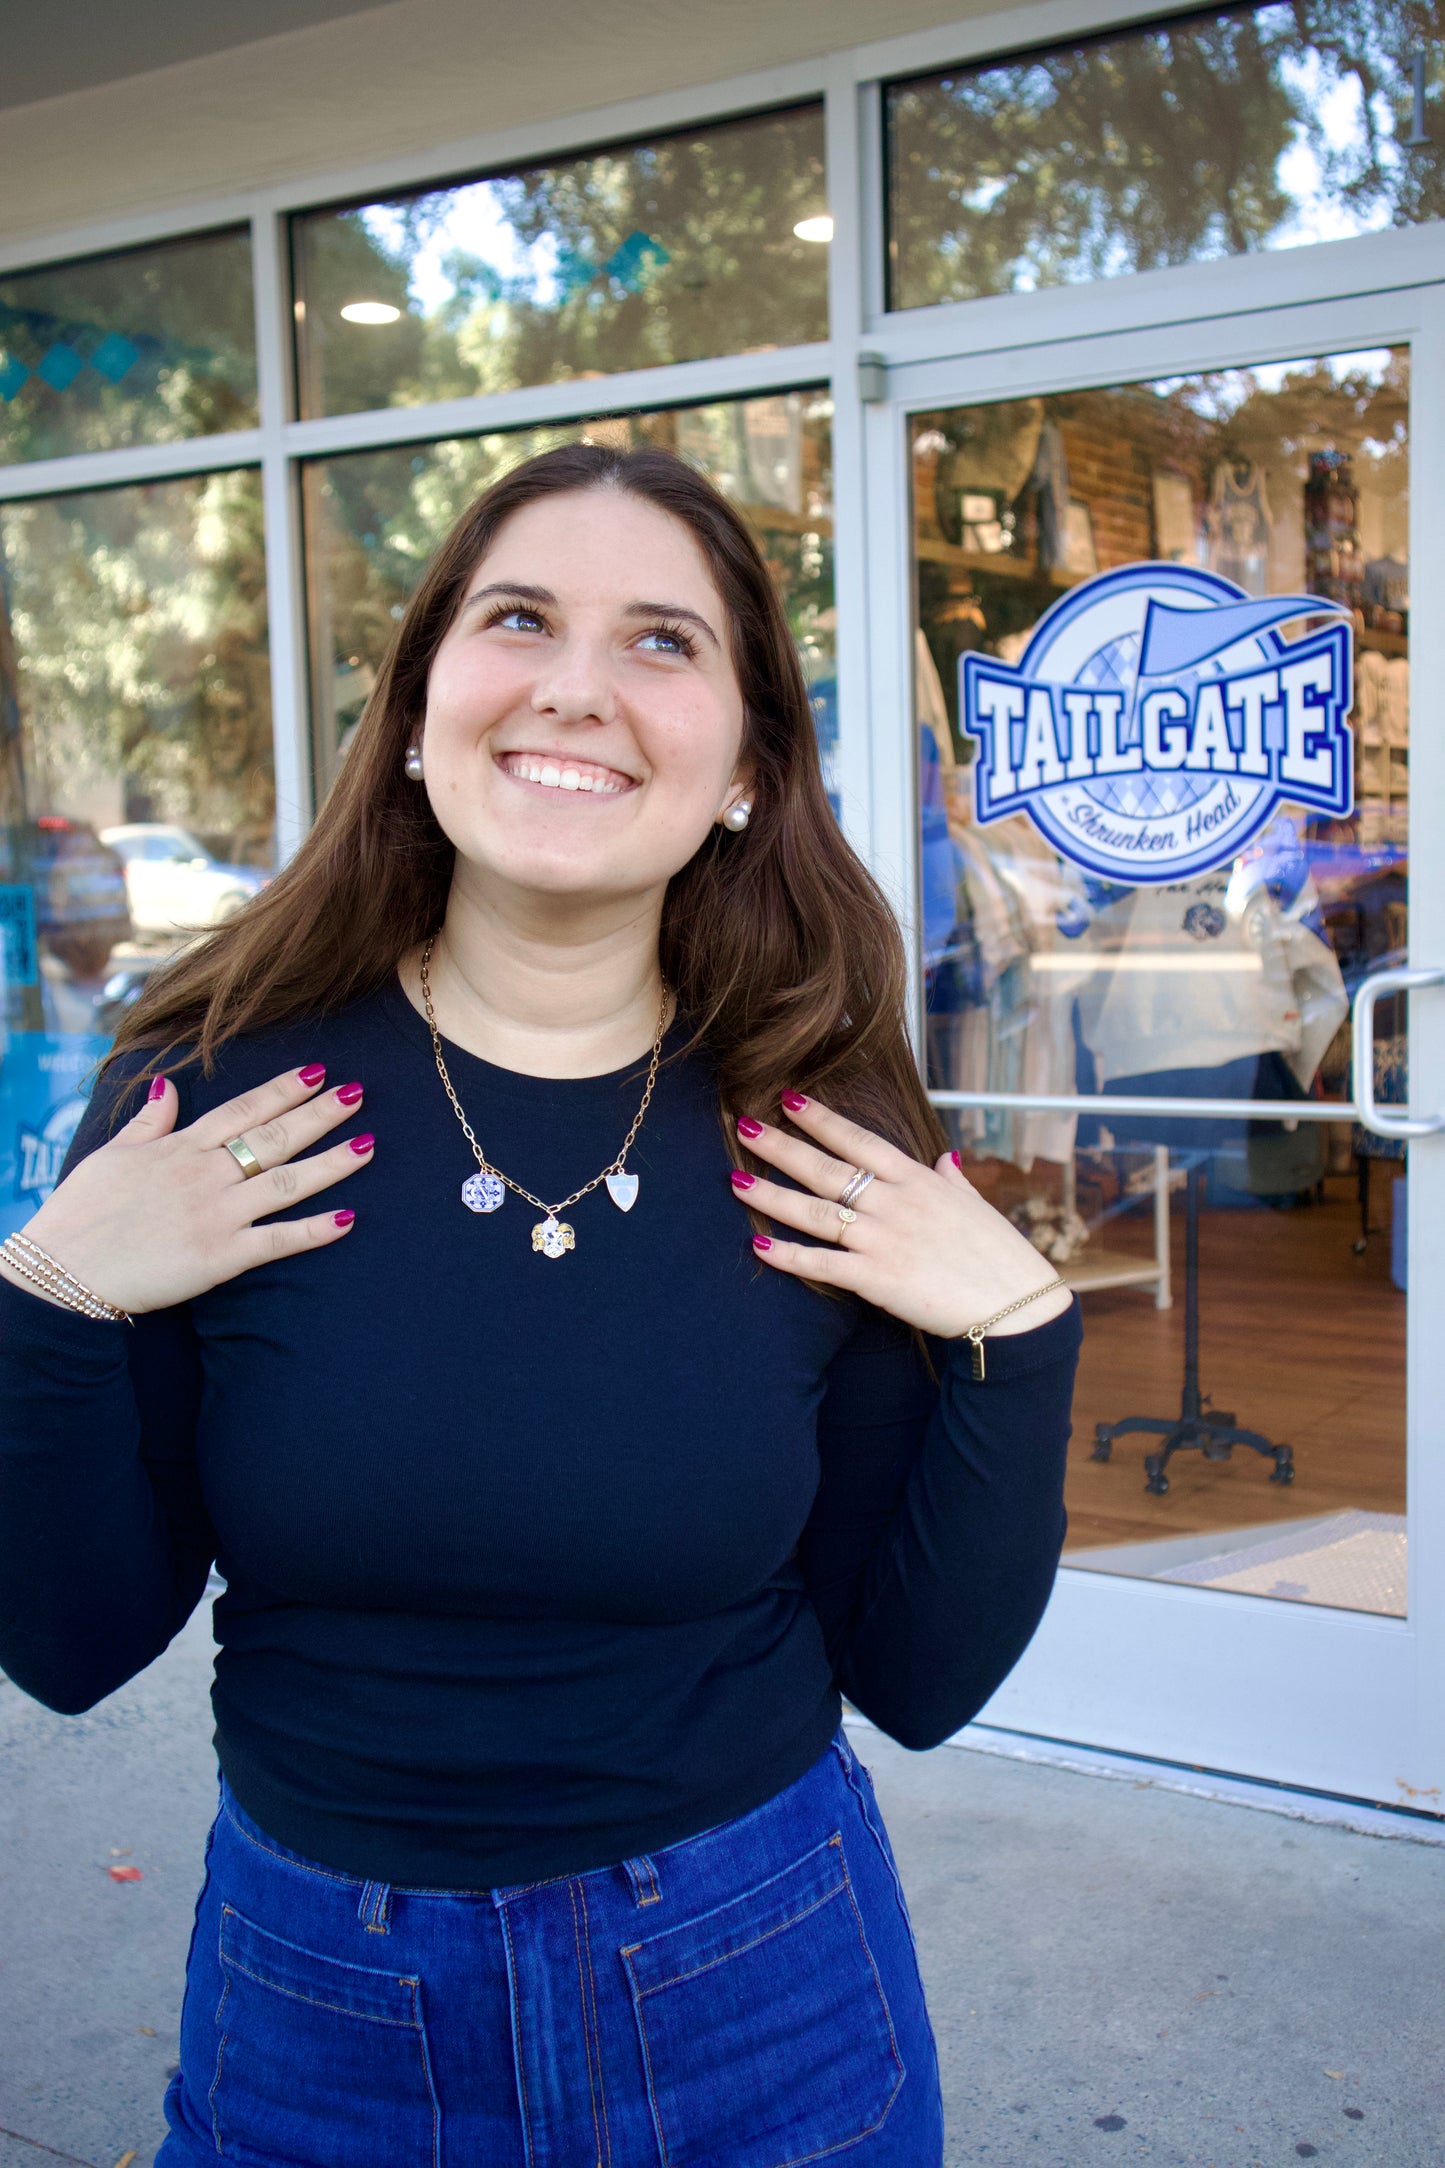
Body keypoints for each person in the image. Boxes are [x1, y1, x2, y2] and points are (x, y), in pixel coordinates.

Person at [0, 444, 1080, 2167]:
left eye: (663, 642)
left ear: (744, 766)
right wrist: (48, 1301)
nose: (575, 688)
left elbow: (920, 1680)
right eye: (519, 619)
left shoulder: (814, 1127)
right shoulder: (204, 1109)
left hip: (761, 1984)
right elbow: (65, 1646)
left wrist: (1016, 1344)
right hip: (320, 2008)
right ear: (423, 699)